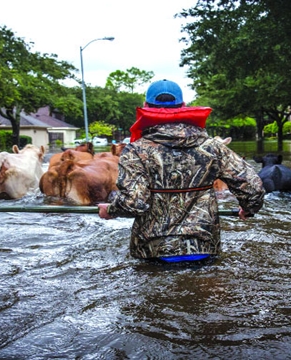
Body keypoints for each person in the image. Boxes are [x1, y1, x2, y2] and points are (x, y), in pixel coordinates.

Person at [98, 79, 265, 262]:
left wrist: (111, 210)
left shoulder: (135, 151)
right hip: (203, 248)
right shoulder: (213, 147)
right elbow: (253, 187)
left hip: (153, 252)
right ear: (183, 106)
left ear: (145, 107)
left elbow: (134, 202)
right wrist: (248, 209)